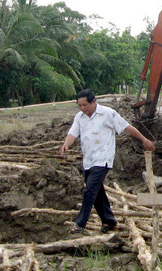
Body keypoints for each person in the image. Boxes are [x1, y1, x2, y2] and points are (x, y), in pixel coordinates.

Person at [60, 89, 155, 233]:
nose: (82, 108)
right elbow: (72, 134)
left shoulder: (107, 113)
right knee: (97, 191)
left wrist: (144, 140)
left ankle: (80, 224)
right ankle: (109, 221)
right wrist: (66, 144)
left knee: (90, 190)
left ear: (93, 102)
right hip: (88, 159)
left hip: (103, 158)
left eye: (85, 105)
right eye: (80, 105)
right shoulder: (80, 117)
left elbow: (127, 127)